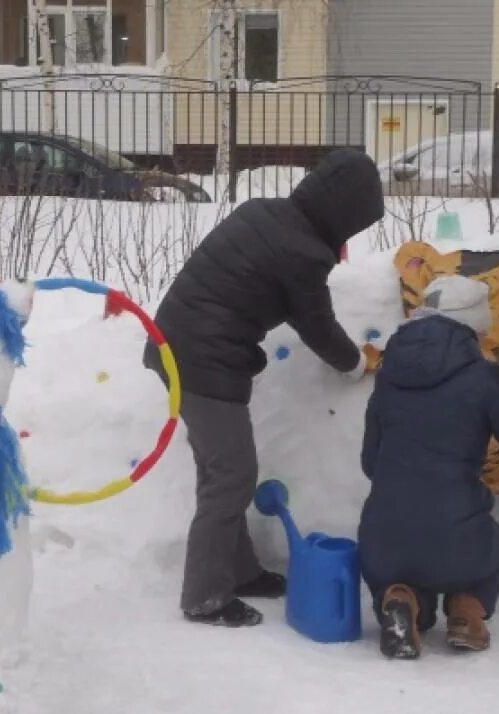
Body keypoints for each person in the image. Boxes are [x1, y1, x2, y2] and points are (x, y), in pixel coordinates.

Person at [144, 149, 385, 628]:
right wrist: (358, 364)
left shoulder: (267, 213)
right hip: (201, 360)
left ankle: (239, 571)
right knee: (231, 475)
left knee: (223, 473)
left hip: (182, 346)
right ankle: (206, 596)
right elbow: (317, 325)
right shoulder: (302, 252)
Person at [358, 276, 499, 658]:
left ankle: (401, 599)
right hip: (459, 544)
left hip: (381, 542)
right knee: (492, 544)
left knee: (405, 568)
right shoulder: (484, 378)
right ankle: (466, 612)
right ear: (473, 325)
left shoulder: (387, 378)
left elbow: (370, 464)